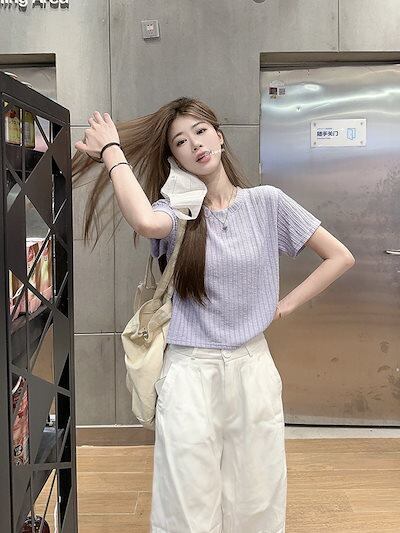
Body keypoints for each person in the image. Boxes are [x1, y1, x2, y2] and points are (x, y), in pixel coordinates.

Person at [72, 97, 355, 533]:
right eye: (181, 142)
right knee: (186, 502)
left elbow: (339, 257)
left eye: (201, 131)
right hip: (189, 371)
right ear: (175, 158)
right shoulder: (179, 210)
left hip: (252, 367)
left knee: (257, 498)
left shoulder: (267, 203)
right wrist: (113, 151)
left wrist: (284, 306)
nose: (195, 144)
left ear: (220, 137)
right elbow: (145, 221)